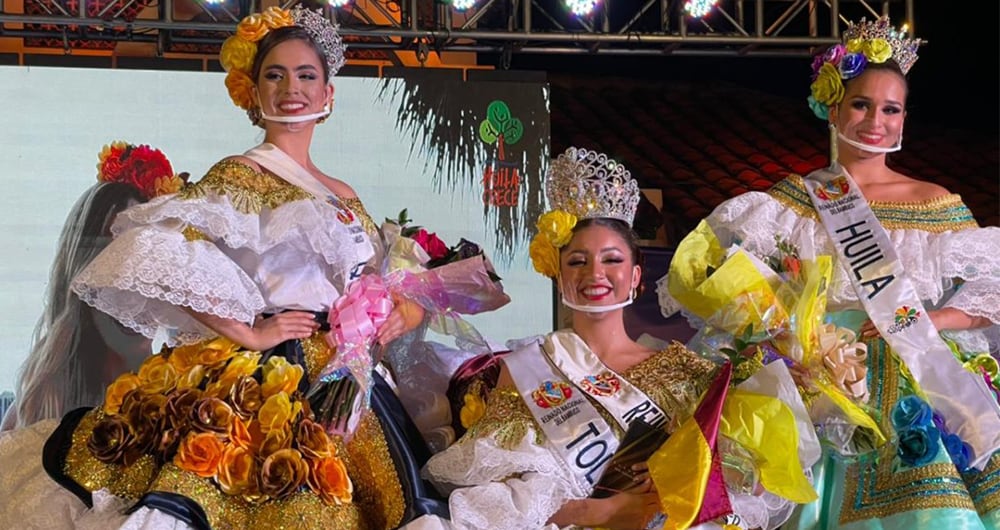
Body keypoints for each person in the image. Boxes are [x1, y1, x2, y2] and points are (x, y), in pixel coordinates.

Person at [0, 6, 451, 529]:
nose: (291, 88)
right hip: (275, 375)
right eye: (274, 75)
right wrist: (251, 333)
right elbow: (159, 251)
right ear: (253, 93)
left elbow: (371, 282)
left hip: (350, 380)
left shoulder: (344, 194)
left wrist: (402, 312)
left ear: (328, 96)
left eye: (307, 75)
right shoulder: (241, 173)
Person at [661, 17, 1000, 530]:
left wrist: (932, 320)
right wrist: (788, 339)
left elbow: (991, 290)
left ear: (905, 118)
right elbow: (734, 298)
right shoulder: (786, 206)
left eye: (891, 109)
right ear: (833, 106)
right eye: (862, 104)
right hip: (814, 390)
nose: (876, 121)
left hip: (912, 393)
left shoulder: (934, 203)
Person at [405, 147, 813, 530]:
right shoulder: (528, 369)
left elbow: (740, 484)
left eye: (612, 260)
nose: (594, 273)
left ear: (636, 276)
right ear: (558, 274)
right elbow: (509, 493)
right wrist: (603, 511)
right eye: (577, 261)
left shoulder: (691, 371)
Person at [1, 144, 186, 431]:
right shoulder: (36, 407)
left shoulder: (187, 400)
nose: (131, 288)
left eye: (146, 258)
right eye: (112, 261)